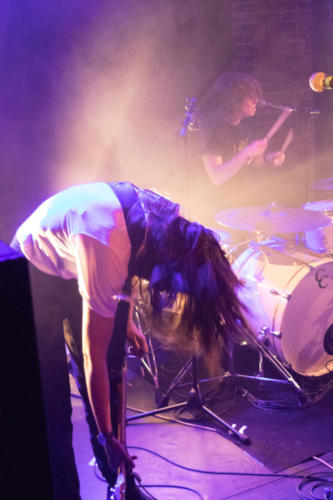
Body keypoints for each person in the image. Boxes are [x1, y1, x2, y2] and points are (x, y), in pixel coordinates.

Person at [11, 181, 248, 500]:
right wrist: (109, 438)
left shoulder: (167, 224)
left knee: (111, 372)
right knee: (52, 401)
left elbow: (134, 256)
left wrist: (126, 323)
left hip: (82, 253)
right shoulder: (106, 243)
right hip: (35, 270)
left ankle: (119, 484)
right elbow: (92, 357)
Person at [199, 72, 287, 234]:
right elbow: (217, 177)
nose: (256, 101)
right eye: (250, 97)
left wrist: (268, 159)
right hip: (221, 214)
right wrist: (247, 151)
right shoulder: (213, 130)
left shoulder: (244, 126)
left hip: (245, 205)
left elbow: (253, 163)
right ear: (234, 100)